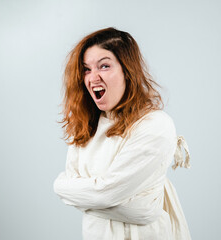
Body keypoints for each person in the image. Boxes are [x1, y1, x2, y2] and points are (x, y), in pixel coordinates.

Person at [53, 27, 191, 240]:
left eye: (104, 66)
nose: (93, 77)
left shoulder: (155, 125)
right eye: (86, 69)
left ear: (127, 70)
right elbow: (117, 199)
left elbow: (106, 195)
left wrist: (67, 189)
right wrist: (70, 188)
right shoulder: (85, 125)